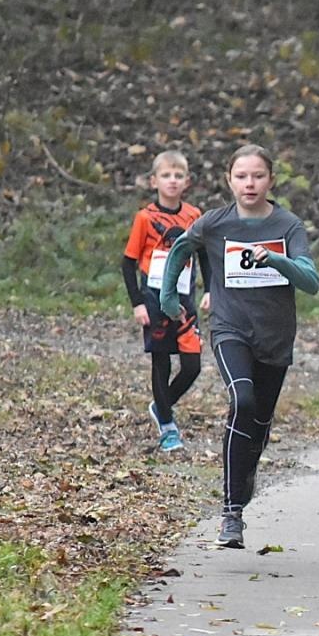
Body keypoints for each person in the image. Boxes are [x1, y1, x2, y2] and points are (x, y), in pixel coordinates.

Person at [159, 144, 319, 548]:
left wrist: (276, 260)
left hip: (275, 337)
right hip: (230, 329)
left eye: (258, 176)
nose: (250, 184)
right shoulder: (215, 223)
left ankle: (245, 471)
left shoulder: (288, 225)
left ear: (271, 180)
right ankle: (231, 513)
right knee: (242, 401)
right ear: (229, 180)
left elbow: (311, 281)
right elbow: (180, 248)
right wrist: (168, 296)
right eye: (242, 176)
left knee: (259, 424)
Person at [121, 150, 202, 452]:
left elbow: (203, 254)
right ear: (154, 181)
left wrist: (210, 292)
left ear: (187, 182)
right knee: (162, 360)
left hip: (184, 299)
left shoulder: (194, 216)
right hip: (153, 298)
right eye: (166, 175)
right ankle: (168, 427)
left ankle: (160, 406)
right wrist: (137, 303)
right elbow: (128, 263)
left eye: (178, 176)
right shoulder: (144, 217)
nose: (172, 181)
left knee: (192, 365)